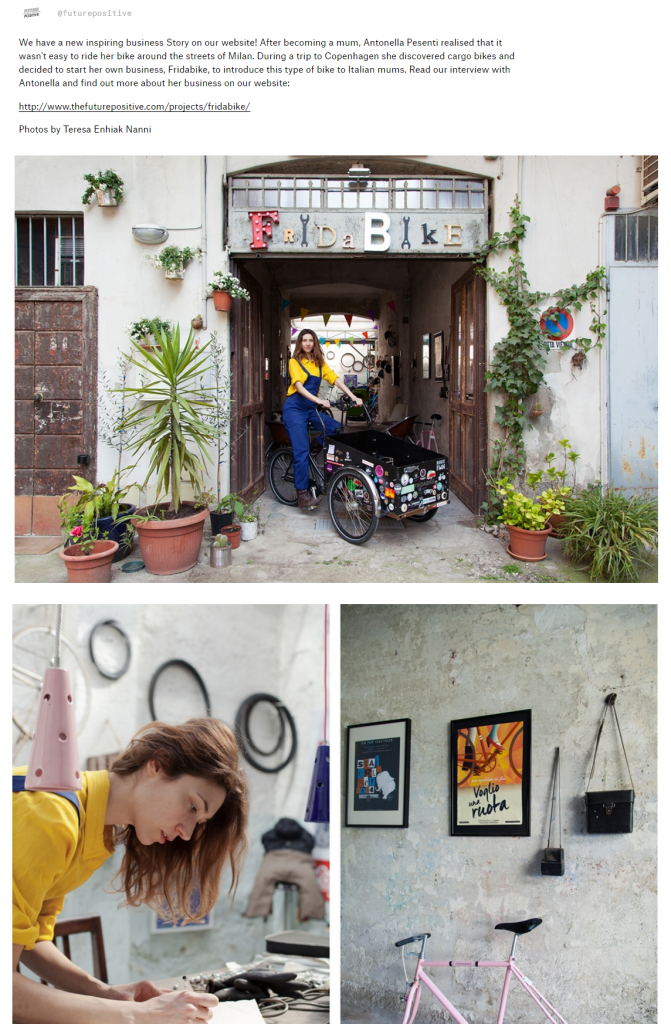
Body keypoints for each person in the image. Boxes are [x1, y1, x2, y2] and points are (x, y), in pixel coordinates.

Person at [13, 718, 249, 1024]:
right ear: (157, 764)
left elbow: (30, 940)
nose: (188, 832)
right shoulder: (53, 819)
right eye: (192, 806)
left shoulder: (90, 829)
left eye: (199, 822)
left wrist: (106, 993)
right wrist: (136, 1014)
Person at [283, 329, 363, 510]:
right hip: (295, 409)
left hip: (310, 408)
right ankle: (303, 495)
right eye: (304, 340)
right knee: (301, 452)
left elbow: (335, 379)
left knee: (337, 429)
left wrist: (353, 396)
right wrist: (319, 401)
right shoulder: (294, 362)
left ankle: (313, 450)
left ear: (315, 343)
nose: (308, 343)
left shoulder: (319, 364)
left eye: (311, 340)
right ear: (300, 343)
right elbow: (299, 387)